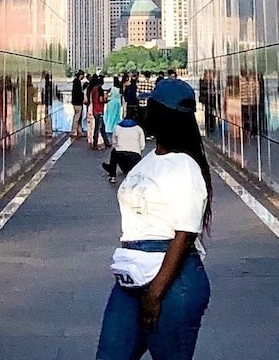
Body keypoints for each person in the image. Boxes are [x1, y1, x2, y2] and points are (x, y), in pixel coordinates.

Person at [97, 77, 211, 360]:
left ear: (166, 114)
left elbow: (185, 234)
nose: (145, 111)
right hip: (132, 275)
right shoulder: (148, 160)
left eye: (152, 106)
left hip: (172, 281)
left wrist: (155, 293)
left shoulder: (185, 166)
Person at [103, 118, 145, 183]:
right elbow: (142, 145)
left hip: (120, 154)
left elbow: (114, 143)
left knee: (114, 152)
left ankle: (113, 176)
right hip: (134, 156)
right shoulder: (138, 129)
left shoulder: (117, 127)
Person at [89, 78, 110, 150]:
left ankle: (106, 142)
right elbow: (101, 100)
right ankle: (95, 144)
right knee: (98, 127)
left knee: (102, 127)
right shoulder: (100, 90)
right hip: (99, 110)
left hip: (95, 109)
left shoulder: (94, 89)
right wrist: (106, 98)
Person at [72, 72, 88, 138]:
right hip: (78, 102)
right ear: (80, 75)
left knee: (78, 116)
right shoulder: (77, 82)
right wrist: (83, 98)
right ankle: (74, 131)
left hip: (75, 102)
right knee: (77, 117)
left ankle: (79, 131)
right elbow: (79, 93)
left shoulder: (75, 82)